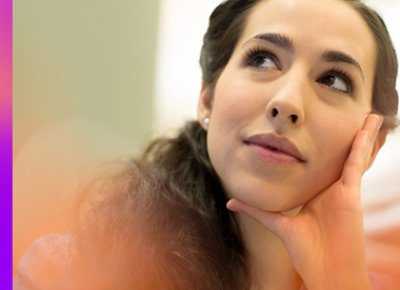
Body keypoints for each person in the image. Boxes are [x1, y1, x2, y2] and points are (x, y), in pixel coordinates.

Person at [14, 0, 399, 289]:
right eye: (263, 60)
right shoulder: (73, 270)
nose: (287, 102)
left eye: (333, 80)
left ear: (373, 143)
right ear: (207, 99)